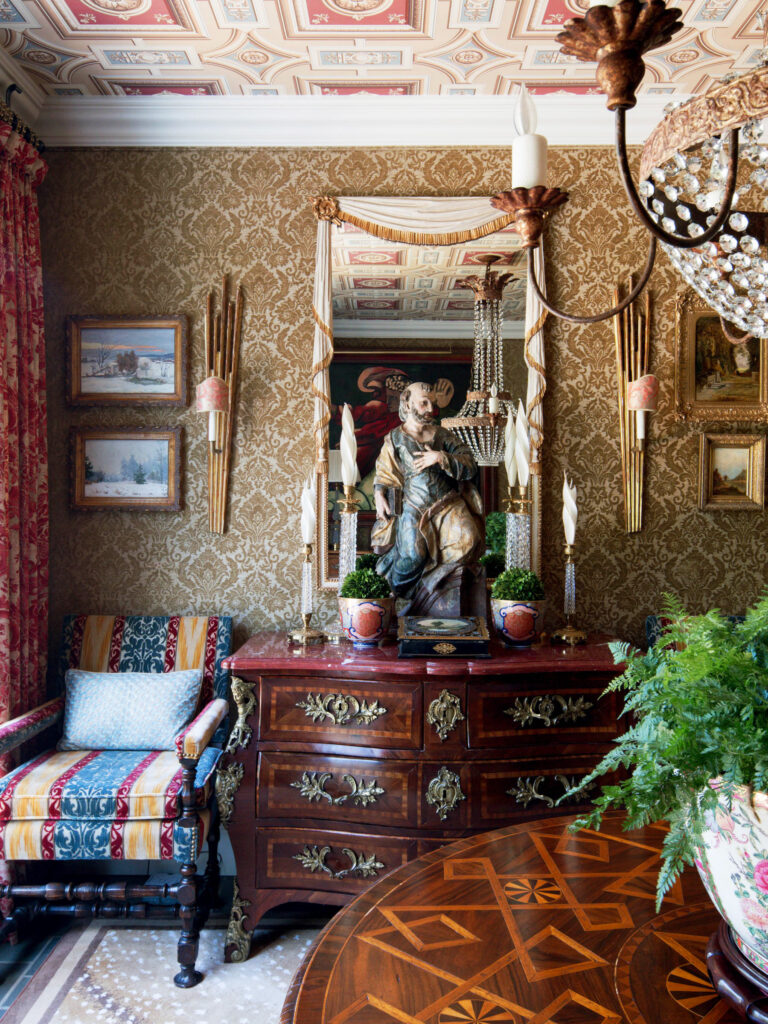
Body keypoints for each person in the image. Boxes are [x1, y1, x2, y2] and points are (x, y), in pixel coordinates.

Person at [371, 381, 485, 615]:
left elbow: (470, 464)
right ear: (407, 402)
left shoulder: (443, 435)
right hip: (414, 505)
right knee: (412, 557)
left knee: (470, 539)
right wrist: (379, 493)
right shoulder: (395, 439)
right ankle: (401, 594)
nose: (430, 409)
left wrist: (441, 457)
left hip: (447, 503)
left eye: (432, 403)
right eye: (423, 403)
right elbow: (384, 472)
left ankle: (435, 586)